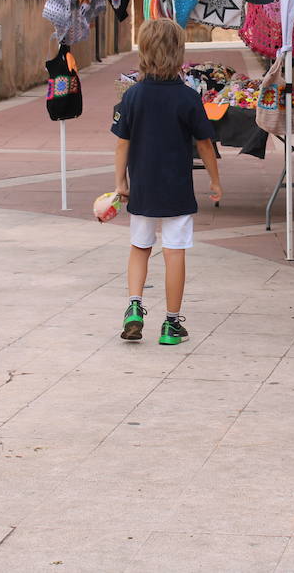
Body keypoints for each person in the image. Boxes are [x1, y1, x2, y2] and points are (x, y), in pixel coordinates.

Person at [111, 18, 221, 346]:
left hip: (142, 186)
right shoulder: (188, 98)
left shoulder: (132, 96)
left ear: (143, 50)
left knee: (139, 248)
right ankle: (171, 325)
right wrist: (215, 181)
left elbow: (122, 142)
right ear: (179, 53)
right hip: (176, 188)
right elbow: (205, 144)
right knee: (175, 252)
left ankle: (134, 307)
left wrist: (120, 182)